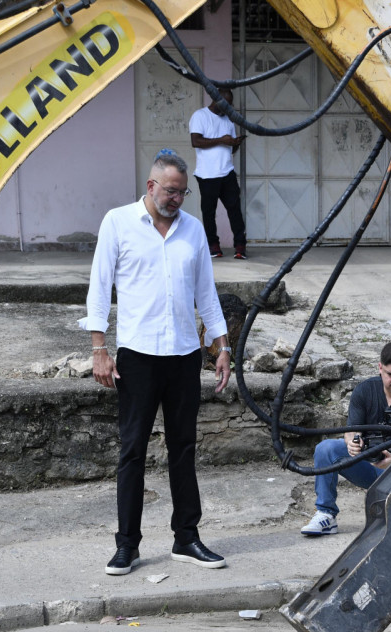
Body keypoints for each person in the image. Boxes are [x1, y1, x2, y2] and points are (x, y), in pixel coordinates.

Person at [81, 151, 233, 576]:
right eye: (170, 191)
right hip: (138, 357)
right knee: (132, 450)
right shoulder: (118, 222)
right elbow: (99, 287)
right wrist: (98, 348)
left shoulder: (193, 230)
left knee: (183, 448)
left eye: (183, 193)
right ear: (151, 186)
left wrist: (222, 346)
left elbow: (206, 293)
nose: (176, 200)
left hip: (184, 356)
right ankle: (127, 545)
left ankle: (186, 537)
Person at [301, 341, 391, 536]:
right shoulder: (364, 390)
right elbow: (351, 430)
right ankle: (325, 514)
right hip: (367, 463)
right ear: (380, 368)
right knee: (326, 449)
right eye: (390, 374)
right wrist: (353, 443)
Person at [189, 87, 248, 259]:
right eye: (227, 104)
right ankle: (214, 246)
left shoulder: (228, 121)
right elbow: (196, 141)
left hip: (227, 172)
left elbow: (231, 149)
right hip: (207, 175)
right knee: (209, 212)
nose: (229, 108)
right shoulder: (200, 116)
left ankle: (240, 246)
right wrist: (222, 140)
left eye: (231, 104)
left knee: (235, 210)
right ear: (217, 100)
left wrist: (235, 143)